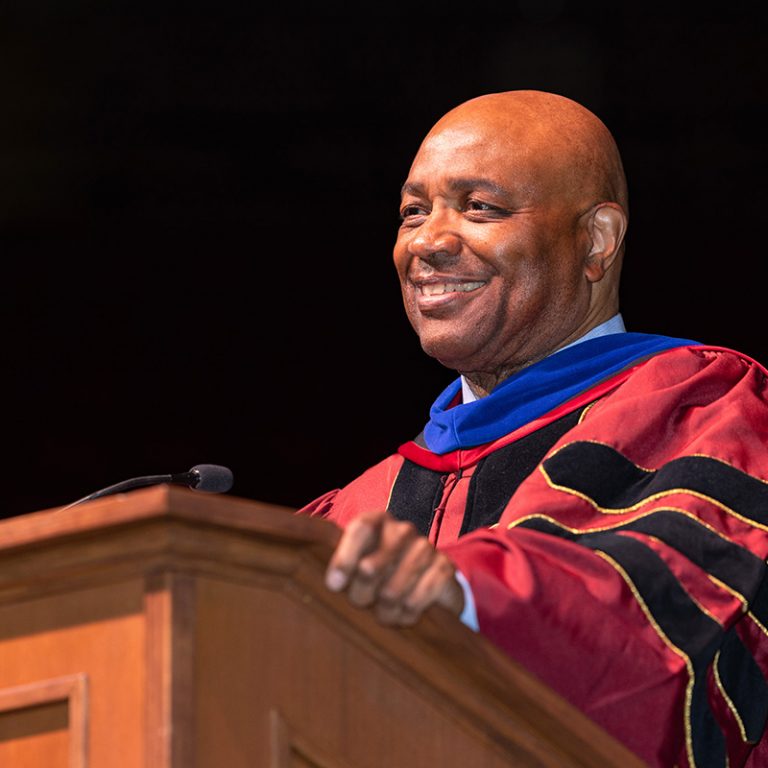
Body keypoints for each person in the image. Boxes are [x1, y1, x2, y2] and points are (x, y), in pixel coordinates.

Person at [297, 90, 768, 768]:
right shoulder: (353, 509)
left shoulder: (704, 408)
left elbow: (665, 628)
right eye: (412, 211)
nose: (428, 241)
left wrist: (461, 595)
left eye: (479, 207)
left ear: (597, 241)